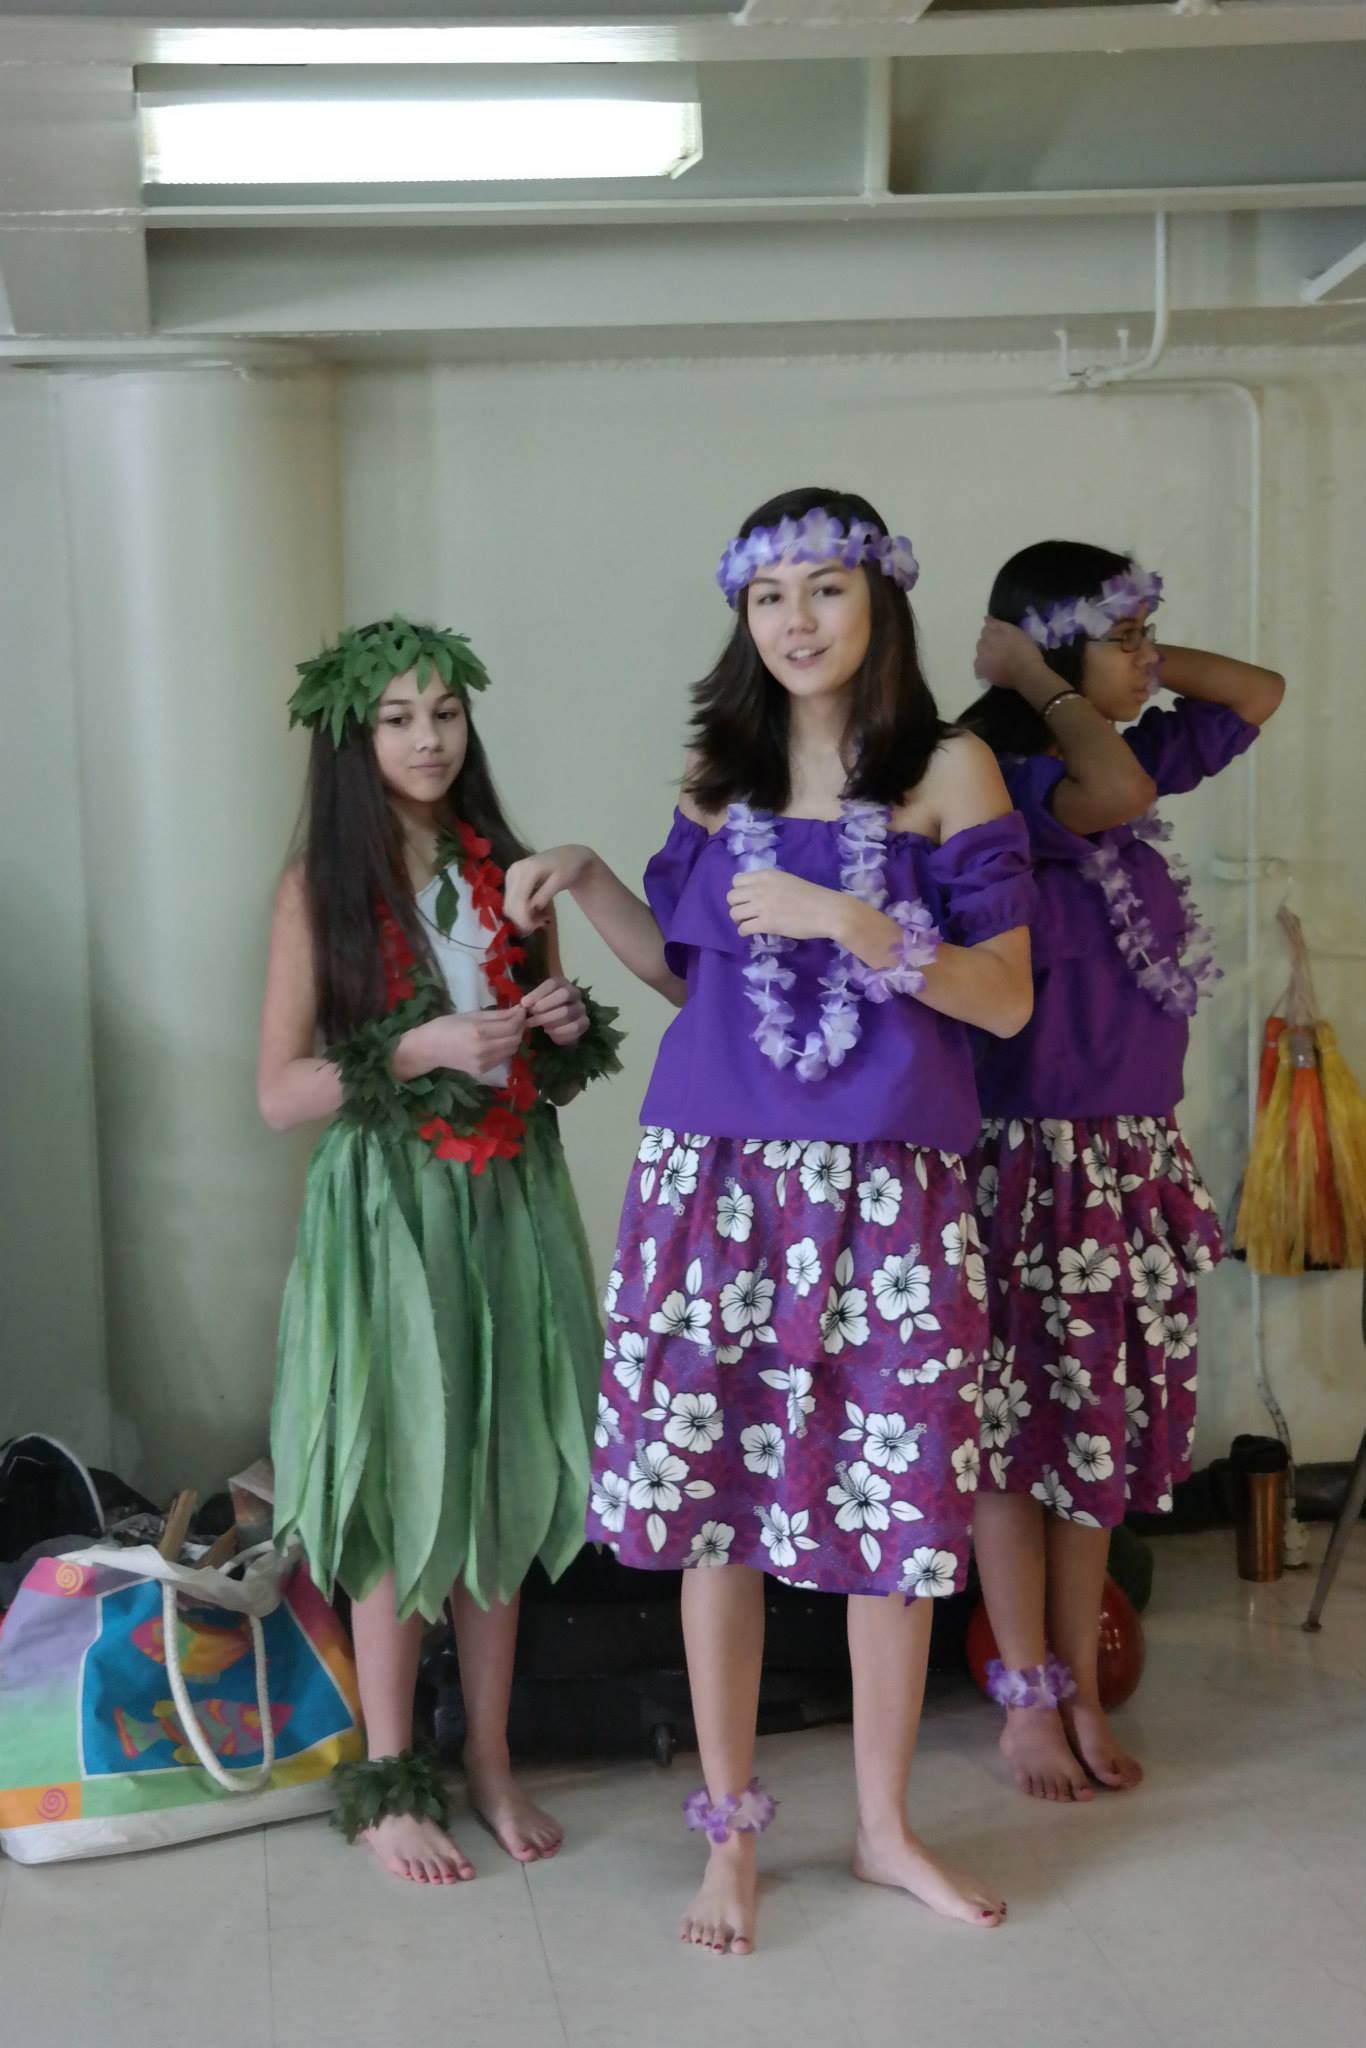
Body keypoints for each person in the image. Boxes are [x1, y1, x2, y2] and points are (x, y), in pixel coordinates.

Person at [505, 489, 1036, 1954]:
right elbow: (693, 975)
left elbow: (1004, 996)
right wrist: (597, 879)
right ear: (743, 619)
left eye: (824, 591)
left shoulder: (953, 772)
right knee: (714, 1513)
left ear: (878, 605)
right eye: (768, 599)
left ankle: (880, 1830)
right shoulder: (716, 776)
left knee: (890, 1504)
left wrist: (862, 927)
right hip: (719, 1178)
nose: (795, 622)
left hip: (888, 1183)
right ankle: (729, 1836)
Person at [259, 618, 620, 1882]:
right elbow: (279, 1092)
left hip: (511, 1198)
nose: (426, 738)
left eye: (445, 715)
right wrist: (411, 1050)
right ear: (356, 740)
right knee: (408, 1471)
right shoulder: (320, 886)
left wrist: (561, 1025)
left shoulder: (511, 870)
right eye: (399, 718)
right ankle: (390, 1773)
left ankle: (491, 1759)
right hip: (388, 1212)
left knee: (500, 1464)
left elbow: (551, 1066)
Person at [960, 541, 1284, 1801]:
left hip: (1124, 1159)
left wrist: (1121, 654)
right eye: (1130, 636)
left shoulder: (1120, 747)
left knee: (1091, 1441)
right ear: (1044, 653)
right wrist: (1050, 684)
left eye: (1154, 633)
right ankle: (1025, 1701)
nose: (1152, 659)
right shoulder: (1006, 774)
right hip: (1022, 1160)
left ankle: (1081, 1686)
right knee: (1011, 1445)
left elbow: (1253, 692)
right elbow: (1103, 788)